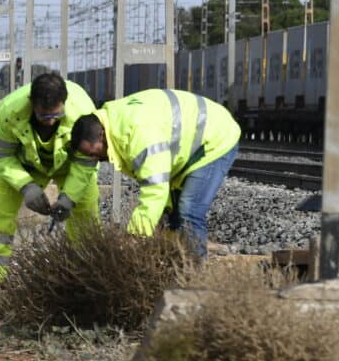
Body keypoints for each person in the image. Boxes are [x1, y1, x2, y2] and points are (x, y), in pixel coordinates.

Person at [0, 70, 98, 294]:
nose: (51, 121)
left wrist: (69, 198)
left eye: (56, 115)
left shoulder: (83, 114)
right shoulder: (9, 112)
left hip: (71, 166)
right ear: (32, 104)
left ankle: (87, 289)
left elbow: (86, 161)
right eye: (44, 117)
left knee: (86, 222)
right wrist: (26, 186)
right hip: (22, 165)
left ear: (64, 103)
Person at [68, 87, 241, 258]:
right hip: (190, 149)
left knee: (188, 211)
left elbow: (155, 188)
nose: (95, 158)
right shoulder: (114, 122)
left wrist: (135, 235)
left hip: (215, 138)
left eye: (93, 152)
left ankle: (194, 276)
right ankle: (174, 268)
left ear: (101, 134)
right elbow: (158, 176)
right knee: (170, 217)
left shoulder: (136, 135)